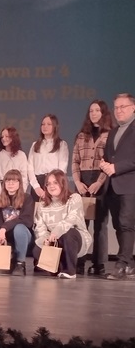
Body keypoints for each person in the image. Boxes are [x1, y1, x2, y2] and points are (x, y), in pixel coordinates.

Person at [72, 100, 114, 276]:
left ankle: (99, 264)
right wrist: (77, 182)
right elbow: (75, 161)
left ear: (103, 113)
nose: (94, 113)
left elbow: (110, 160)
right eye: (91, 110)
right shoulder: (82, 135)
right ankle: (79, 261)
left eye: (97, 110)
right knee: (81, 224)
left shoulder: (110, 134)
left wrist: (99, 182)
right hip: (83, 179)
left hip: (101, 180)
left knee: (100, 225)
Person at [99, 93, 135, 281]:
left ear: (133, 108)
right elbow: (109, 157)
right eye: (116, 107)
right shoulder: (113, 132)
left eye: (123, 106)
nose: (119, 111)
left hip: (130, 185)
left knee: (126, 224)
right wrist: (104, 164)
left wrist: (116, 167)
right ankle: (129, 264)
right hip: (113, 185)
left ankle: (122, 264)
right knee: (118, 225)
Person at [33, 170, 92, 279]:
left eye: (55, 182)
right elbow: (40, 228)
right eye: (48, 184)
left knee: (68, 234)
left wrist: (56, 232)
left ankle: (70, 271)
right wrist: (46, 239)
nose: (51, 186)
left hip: (75, 238)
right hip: (54, 240)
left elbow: (71, 219)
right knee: (37, 248)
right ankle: (57, 267)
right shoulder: (42, 205)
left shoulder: (74, 198)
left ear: (63, 183)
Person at [0, 169, 35, 276]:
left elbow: (26, 221)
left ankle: (21, 263)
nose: (10, 183)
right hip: (7, 236)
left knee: (19, 228)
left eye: (14, 181)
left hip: (24, 236)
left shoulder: (27, 198)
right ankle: (12, 259)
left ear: (19, 183)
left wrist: (4, 228)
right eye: (8, 181)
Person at [27, 114, 69, 201]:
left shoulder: (61, 144)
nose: (45, 126)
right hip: (37, 183)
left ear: (55, 126)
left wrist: (53, 184)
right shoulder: (35, 145)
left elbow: (62, 168)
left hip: (54, 183)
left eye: (49, 124)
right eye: (43, 124)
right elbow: (30, 167)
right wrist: (36, 187)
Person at [0, 127, 29, 202]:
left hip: (18, 194)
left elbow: (24, 177)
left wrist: (20, 194)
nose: (3, 139)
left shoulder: (21, 155)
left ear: (13, 137)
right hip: (1, 193)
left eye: (7, 136)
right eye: (2, 137)